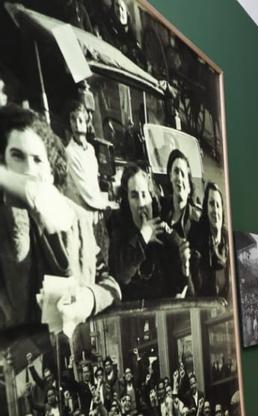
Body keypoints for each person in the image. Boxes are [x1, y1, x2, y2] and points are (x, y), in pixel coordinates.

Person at [0, 106, 121, 331]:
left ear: (50, 169)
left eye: (37, 160)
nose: (29, 169)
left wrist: (89, 299)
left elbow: (110, 285)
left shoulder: (77, 221)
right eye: (17, 156)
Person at [106, 162, 189, 302]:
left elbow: (182, 285)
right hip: (131, 316)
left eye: (144, 195)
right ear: (126, 202)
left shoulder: (164, 232)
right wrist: (143, 237)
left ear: (152, 198)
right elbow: (120, 275)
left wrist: (185, 266)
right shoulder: (119, 232)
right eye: (134, 196)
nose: (141, 204)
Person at [61, 98, 115, 264]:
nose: (77, 125)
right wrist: (108, 205)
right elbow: (86, 191)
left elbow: (94, 181)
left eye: (80, 120)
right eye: (73, 119)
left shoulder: (91, 150)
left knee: (104, 256)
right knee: (87, 260)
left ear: (86, 122)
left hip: (95, 215)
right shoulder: (69, 152)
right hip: (82, 216)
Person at [187, 183, 229, 298]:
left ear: (222, 209)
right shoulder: (197, 239)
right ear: (206, 208)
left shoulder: (228, 239)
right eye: (211, 204)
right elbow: (194, 287)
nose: (215, 209)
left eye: (218, 205)